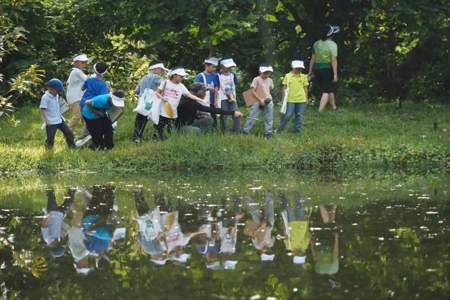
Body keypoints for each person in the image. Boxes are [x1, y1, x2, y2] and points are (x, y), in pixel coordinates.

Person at [154, 67, 204, 140]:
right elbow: (157, 93)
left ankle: (169, 139)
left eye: (183, 77)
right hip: (163, 110)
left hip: (173, 112)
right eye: (181, 76)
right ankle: (157, 138)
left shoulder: (181, 86)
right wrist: (162, 98)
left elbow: (189, 95)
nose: (182, 78)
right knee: (160, 126)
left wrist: (200, 100)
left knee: (171, 127)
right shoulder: (165, 82)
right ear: (174, 75)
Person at [176, 83, 243, 133]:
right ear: (198, 92)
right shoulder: (189, 101)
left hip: (190, 122)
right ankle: (199, 135)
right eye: (204, 91)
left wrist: (198, 116)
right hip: (181, 127)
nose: (205, 93)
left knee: (209, 119)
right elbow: (211, 110)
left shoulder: (190, 98)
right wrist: (232, 113)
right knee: (197, 131)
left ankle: (203, 134)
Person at [132, 62, 169, 143]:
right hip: (153, 103)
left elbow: (137, 90)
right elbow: (165, 86)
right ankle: (157, 137)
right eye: (161, 69)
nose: (162, 71)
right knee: (157, 119)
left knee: (140, 119)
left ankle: (136, 137)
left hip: (142, 101)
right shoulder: (158, 79)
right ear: (155, 69)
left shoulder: (143, 78)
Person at [308, 25, 340, 112]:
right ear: (331, 35)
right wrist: (335, 74)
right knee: (326, 90)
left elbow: (313, 58)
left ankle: (334, 107)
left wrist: (310, 71)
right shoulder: (333, 45)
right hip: (327, 69)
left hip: (317, 69)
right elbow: (333, 60)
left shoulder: (316, 43)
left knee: (329, 88)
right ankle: (320, 111)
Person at [133, 188, 168, 265]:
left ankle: (158, 189)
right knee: (140, 203)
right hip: (143, 224)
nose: (163, 255)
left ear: (159, 258)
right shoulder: (146, 250)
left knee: (160, 207)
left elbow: (160, 237)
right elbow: (138, 236)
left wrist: (165, 231)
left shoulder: (161, 249)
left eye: (163, 257)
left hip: (155, 225)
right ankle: (136, 187)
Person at [40, 78, 75, 149]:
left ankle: (72, 147)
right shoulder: (45, 97)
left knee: (69, 133)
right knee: (50, 138)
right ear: (50, 88)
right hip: (51, 122)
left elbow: (56, 107)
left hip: (59, 119)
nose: (58, 92)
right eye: (57, 90)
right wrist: (47, 121)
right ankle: (49, 150)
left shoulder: (56, 95)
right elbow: (42, 109)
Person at [41, 188, 75, 258]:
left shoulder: (47, 238)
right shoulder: (58, 238)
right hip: (60, 214)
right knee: (70, 201)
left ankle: (48, 183)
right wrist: (68, 231)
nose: (61, 243)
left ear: (56, 246)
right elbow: (65, 228)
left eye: (60, 244)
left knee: (51, 195)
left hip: (52, 213)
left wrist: (47, 216)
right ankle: (72, 188)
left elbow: (44, 226)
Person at [78, 62, 109, 139]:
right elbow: (104, 97)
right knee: (92, 121)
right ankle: (84, 137)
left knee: (87, 121)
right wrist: (108, 88)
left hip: (83, 102)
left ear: (94, 70)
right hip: (92, 104)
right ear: (105, 72)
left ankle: (84, 136)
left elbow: (82, 88)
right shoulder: (103, 84)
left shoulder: (89, 80)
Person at [242, 65, 274, 138]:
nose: (266, 74)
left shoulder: (270, 80)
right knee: (252, 116)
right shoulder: (256, 79)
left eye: (268, 73)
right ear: (260, 72)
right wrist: (260, 100)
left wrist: (266, 98)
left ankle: (268, 133)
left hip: (268, 100)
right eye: (265, 73)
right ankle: (245, 131)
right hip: (257, 100)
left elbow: (269, 89)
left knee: (269, 117)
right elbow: (252, 91)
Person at [280, 192, 311, 265]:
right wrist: (307, 223)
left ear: (294, 255)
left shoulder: (289, 246)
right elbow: (307, 235)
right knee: (300, 207)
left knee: (288, 208)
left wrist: (285, 225)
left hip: (292, 223)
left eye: (299, 254)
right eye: (302, 254)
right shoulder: (304, 247)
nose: (300, 253)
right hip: (302, 224)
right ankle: (296, 192)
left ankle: (282, 195)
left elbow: (285, 235)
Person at [243, 193, 276, 262]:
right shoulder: (271, 244)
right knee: (270, 212)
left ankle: (248, 197)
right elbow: (272, 236)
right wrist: (266, 226)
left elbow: (253, 235)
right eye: (269, 252)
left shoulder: (257, 246)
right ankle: (269, 195)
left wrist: (261, 227)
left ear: (262, 253)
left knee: (255, 212)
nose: (268, 250)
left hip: (258, 226)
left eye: (266, 252)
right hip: (268, 226)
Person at [279, 60, 309, 133]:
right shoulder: (288, 76)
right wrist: (283, 99)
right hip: (290, 99)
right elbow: (284, 87)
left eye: (300, 68)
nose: (298, 69)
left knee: (299, 115)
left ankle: (296, 130)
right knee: (288, 115)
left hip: (301, 99)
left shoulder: (303, 77)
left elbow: (305, 88)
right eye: (297, 68)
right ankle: (281, 128)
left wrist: (306, 98)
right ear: (292, 67)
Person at [194, 57, 220, 127]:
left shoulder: (216, 76)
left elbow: (216, 88)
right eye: (213, 67)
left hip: (212, 101)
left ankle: (214, 131)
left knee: (214, 117)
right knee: (205, 116)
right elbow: (195, 89)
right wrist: (207, 88)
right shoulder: (200, 76)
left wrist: (216, 100)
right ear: (206, 66)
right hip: (203, 101)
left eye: (215, 67)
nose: (215, 69)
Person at [66, 54, 89, 132]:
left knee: (85, 116)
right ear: (76, 63)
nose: (84, 64)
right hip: (75, 98)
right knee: (77, 116)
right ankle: (67, 132)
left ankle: (86, 133)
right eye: (82, 62)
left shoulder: (77, 72)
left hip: (78, 97)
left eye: (85, 62)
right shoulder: (76, 72)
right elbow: (88, 80)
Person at [218, 58, 241, 133]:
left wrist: (232, 96)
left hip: (233, 98)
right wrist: (229, 95)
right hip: (223, 98)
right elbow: (223, 87)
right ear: (222, 66)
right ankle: (223, 131)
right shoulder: (218, 75)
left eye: (230, 67)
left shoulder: (233, 75)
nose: (229, 68)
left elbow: (234, 85)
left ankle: (236, 131)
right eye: (227, 66)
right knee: (223, 115)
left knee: (236, 113)